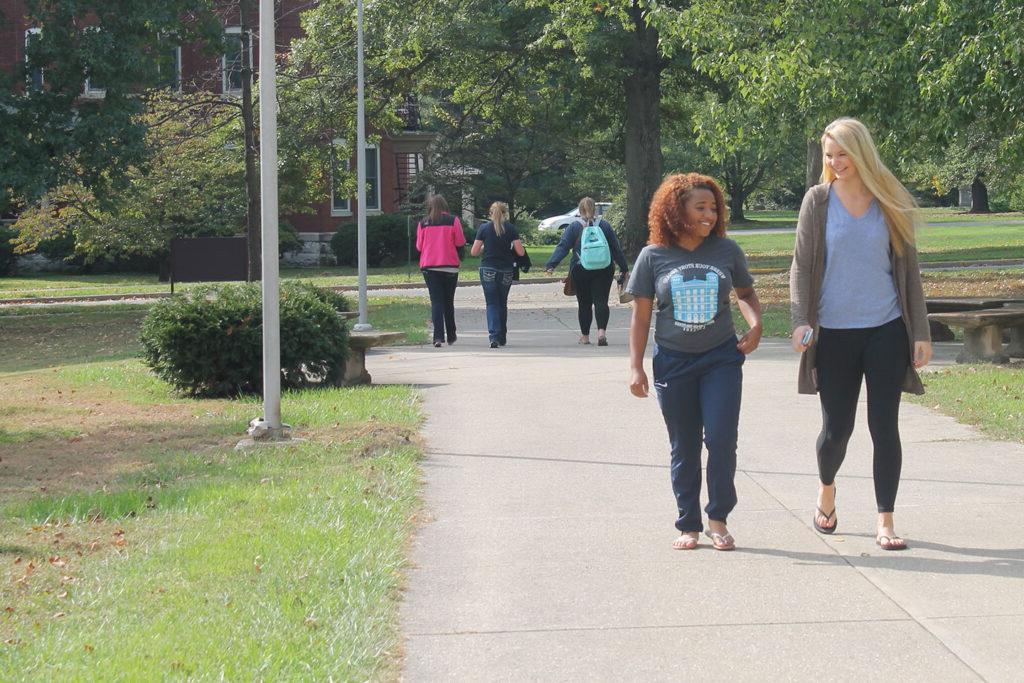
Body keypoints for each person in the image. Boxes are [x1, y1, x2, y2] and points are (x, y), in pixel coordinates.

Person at [790, 117, 932, 551]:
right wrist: (800, 320)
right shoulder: (817, 201)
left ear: (862, 152)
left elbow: (909, 273)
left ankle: (885, 520)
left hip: (886, 330)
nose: (836, 162)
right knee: (837, 431)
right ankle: (826, 490)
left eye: (843, 153)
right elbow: (800, 266)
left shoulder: (889, 201)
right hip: (834, 333)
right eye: (830, 155)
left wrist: (920, 331)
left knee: (884, 426)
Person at [626, 173, 762, 551]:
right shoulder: (653, 256)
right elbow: (640, 316)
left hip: (721, 358)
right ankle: (688, 522)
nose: (710, 214)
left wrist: (756, 324)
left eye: (713, 207)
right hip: (673, 362)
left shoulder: (726, 250)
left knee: (720, 439)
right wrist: (636, 366)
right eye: (700, 207)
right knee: (683, 445)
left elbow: (746, 293)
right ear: (675, 210)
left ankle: (717, 518)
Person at [544, 197, 629, 345]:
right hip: (604, 268)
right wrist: (624, 267)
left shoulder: (574, 227)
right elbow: (616, 249)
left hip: (580, 268)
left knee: (584, 303)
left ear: (580, 210)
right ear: (595, 208)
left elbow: (563, 247)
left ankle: (585, 337)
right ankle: (601, 333)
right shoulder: (605, 226)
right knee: (601, 301)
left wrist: (551, 264)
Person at [471, 201, 526, 348]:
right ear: (505, 213)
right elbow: (520, 252)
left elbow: (474, 252)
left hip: (488, 268)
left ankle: (494, 336)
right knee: (502, 303)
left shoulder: (484, 228)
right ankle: (502, 336)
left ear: (490, 213)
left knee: (491, 303)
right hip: (506, 270)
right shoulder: (510, 228)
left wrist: (484, 247)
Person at [416, 195, 466, 348]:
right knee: (448, 301)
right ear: (445, 206)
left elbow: (419, 246)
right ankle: (451, 334)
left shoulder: (423, 223)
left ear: (430, 206)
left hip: (430, 267)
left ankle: (438, 336)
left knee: (436, 302)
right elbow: (460, 242)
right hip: (449, 265)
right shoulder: (453, 220)